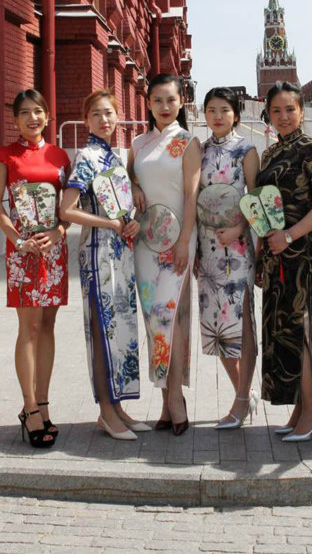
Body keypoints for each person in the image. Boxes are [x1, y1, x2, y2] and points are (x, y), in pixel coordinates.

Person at [60, 90, 145, 440]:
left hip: (122, 253)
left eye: (109, 113)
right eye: (97, 114)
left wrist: (131, 221)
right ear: (86, 120)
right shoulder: (87, 157)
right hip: (99, 254)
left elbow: (122, 203)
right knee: (102, 329)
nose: (105, 120)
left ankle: (118, 407)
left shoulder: (116, 155)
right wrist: (108, 223)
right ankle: (106, 412)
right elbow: (67, 210)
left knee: (121, 332)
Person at [255, 81, 312, 442]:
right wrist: (262, 253)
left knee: (300, 327)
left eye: (290, 109)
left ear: (302, 111)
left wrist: (290, 235)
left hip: (297, 252)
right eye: (276, 110)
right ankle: (300, 408)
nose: (284, 116)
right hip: (273, 254)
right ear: (268, 114)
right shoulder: (270, 153)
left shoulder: (311, 149)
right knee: (280, 331)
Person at [0, 89, 69, 448]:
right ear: (15, 119)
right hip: (22, 251)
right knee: (29, 327)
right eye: (25, 113)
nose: (32, 118)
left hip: (53, 250)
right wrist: (18, 240)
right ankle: (29, 407)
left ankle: (46, 401)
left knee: (49, 325)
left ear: (48, 117)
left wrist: (60, 231)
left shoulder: (59, 155)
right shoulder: (4, 155)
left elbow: (69, 205)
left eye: (38, 112)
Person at [127, 73, 201, 435]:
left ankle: (176, 398)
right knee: (153, 323)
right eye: (157, 100)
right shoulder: (138, 144)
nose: (165, 107)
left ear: (181, 102)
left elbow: (191, 195)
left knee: (172, 319)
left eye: (171, 100)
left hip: (178, 243)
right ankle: (164, 400)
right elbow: (128, 180)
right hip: (144, 243)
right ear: (149, 104)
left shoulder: (188, 142)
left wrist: (186, 240)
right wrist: (136, 185)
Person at [197, 87, 260, 428]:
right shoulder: (200, 150)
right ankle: (243, 395)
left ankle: (239, 401)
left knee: (241, 325)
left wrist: (239, 230)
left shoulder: (246, 150)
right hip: (207, 252)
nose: (218, 116)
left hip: (237, 251)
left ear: (235, 113)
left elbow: (258, 199)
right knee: (217, 329)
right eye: (211, 110)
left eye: (224, 109)